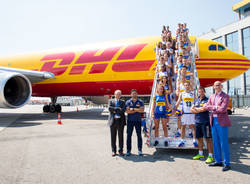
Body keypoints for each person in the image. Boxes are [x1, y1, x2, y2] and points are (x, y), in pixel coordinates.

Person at [203, 81, 232, 171]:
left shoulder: (225, 96)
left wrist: (213, 107)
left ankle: (227, 163)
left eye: (218, 85)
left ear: (221, 86)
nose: (217, 87)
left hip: (221, 121)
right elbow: (206, 106)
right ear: (213, 87)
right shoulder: (212, 96)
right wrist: (215, 107)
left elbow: (223, 109)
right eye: (215, 85)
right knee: (215, 142)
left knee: (223, 143)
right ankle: (218, 161)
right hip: (213, 121)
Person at [190, 86, 214, 164]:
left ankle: (210, 156)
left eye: (202, 91)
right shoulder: (196, 100)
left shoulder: (207, 100)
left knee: (208, 139)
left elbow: (204, 109)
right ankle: (200, 154)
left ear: (204, 92)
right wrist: (199, 109)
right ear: (198, 92)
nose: (201, 93)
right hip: (197, 122)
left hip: (205, 122)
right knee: (199, 139)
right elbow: (191, 110)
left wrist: (196, 109)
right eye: (199, 92)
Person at [175, 81, 198, 147]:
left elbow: (196, 102)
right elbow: (178, 102)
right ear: (184, 86)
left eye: (188, 85)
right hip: (184, 113)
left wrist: (196, 109)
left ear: (189, 86)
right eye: (185, 85)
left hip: (191, 112)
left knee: (193, 127)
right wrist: (175, 108)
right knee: (183, 127)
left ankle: (194, 141)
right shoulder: (182, 94)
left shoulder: (193, 93)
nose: (187, 86)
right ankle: (182, 141)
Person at [125, 89, 144, 156]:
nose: (134, 94)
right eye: (133, 93)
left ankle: (139, 150)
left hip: (138, 121)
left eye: (135, 93)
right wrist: (137, 110)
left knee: (139, 136)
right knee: (129, 136)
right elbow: (127, 111)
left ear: (137, 94)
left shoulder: (140, 101)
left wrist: (133, 109)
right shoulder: (128, 102)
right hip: (130, 121)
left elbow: (142, 111)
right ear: (131, 94)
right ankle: (128, 150)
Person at [108, 90, 126, 157]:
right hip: (113, 121)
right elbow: (109, 108)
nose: (118, 95)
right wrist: (117, 109)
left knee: (121, 137)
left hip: (121, 121)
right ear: (114, 94)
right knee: (113, 137)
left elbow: (123, 110)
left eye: (119, 94)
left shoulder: (123, 102)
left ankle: (121, 150)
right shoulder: (110, 101)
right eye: (117, 94)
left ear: (121, 95)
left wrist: (115, 110)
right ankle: (113, 151)